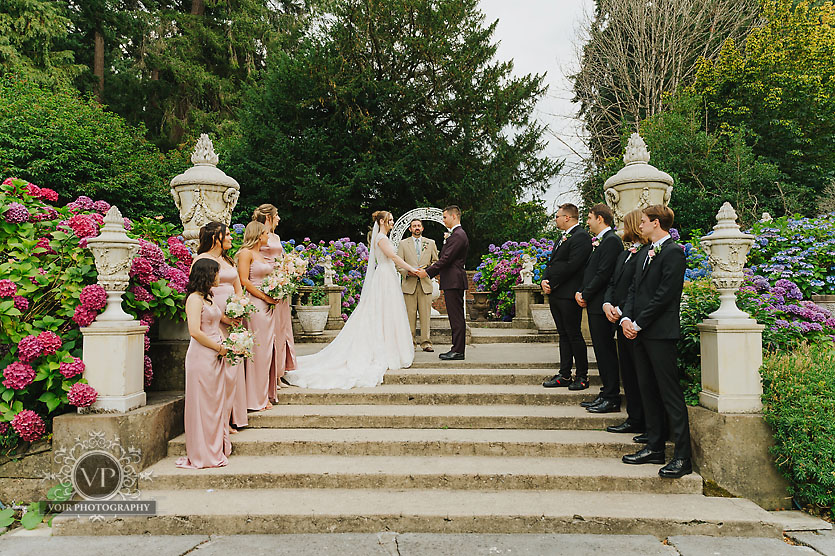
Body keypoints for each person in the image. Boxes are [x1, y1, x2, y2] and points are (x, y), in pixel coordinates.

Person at [284, 211, 419, 389]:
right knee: (383, 310)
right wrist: (412, 269)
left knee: (389, 311)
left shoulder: (382, 237)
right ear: (382, 221)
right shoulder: (381, 238)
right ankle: (385, 347)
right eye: (390, 220)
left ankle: (390, 344)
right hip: (385, 275)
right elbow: (393, 257)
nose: (392, 222)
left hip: (388, 275)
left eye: (393, 220)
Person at [620, 205, 691, 479]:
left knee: (669, 394)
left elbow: (665, 295)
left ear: (656, 223)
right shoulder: (644, 253)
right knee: (646, 389)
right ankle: (654, 447)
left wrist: (638, 323)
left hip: (660, 334)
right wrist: (626, 318)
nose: (640, 225)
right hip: (638, 332)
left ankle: (682, 458)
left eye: (644, 221)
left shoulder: (673, 253)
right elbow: (634, 290)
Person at [193, 222, 248, 433]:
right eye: (228, 235)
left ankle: (232, 415)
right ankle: (220, 421)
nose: (232, 238)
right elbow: (200, 292)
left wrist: (240, 306)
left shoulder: (227, 259)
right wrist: (223, 317)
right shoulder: (201, 260)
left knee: (234, 368)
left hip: (234, 317)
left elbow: (238, 287)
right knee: (220, 371)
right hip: (214, 320)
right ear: (216, 238)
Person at [176, 258, 230, 469]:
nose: (219, 277)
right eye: (216, 272)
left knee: (214, 404)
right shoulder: (194, 299)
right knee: (202, 406)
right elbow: (195, 332)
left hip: (215, 355)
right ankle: (202, 453)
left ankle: (215, 447)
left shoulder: (209, 298)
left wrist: (227, 344)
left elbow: (215, 326)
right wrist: (218, 347)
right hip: (201, 357)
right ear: (207, 275)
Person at [602, 210, 647, 437]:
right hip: (619, 319)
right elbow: (612, 282)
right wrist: (607, 304)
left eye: (624, 224)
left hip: (632, 320)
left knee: (639, 375)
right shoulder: (625, 253)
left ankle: (643, 421)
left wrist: (621, 310)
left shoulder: (646, 254)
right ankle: (633, 418)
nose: (621, 228)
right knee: (627, 374)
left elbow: (637, 288)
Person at [576, 204, 623, 413]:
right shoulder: (602, 240)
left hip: (601, 304)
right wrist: (581, 290)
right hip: (595, 304)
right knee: (600, 351)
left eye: (589, 217)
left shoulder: (611, 241)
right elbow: (591, 271)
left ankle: (612, 397)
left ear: (600, 219)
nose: (587, 222)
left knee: (605, 352)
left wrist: (585, 294)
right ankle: (606, 392)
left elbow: (604, 273)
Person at [541, 204, 593, 390]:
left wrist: (553, 282)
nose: (555, 219)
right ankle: (564, 374)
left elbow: (573, 266)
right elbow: (552, 262)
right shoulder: (562, 237)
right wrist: (544, 280)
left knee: (574, 334)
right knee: (563, 334)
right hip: (556, 294)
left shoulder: (581, 237)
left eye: (557, 216)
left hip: (569, 295)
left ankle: (582, 375)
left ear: (567, 217)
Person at [415, 206, 469, 361]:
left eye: (445, 217)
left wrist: (427, 272)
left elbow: (446, 259)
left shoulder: (458, 235)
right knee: (455, 316)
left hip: (454, 280)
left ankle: (458, 351)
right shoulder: (456, 234)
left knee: (456, 317)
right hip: (452, 280)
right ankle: (457, 349)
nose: (443, 220)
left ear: (454, 216)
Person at [252, 204, 297, 388]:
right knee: (271, 331)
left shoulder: (276, 237)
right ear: (268, 217)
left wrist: (292, 268)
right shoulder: (258, 234)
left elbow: (282, 259)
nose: (279, 218)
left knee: (282, 328)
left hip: (280, 283)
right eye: (276, 215)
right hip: (266, 283)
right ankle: (270, 376)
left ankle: (279, 373)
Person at [236, 221, 278, 411]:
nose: (268, 236)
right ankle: (255, 398)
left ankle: (264, 394)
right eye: (265, 233)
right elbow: (244, 280)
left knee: (266, 351)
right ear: (258, 235)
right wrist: (264, 297)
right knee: (258, 352)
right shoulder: (246, 254)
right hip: (255, 304)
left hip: (267, 305)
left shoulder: (261, 254)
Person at [397, 218, 439, 352]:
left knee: (425, 315)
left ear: (422, 228)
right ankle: (411, 343)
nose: (416, 228)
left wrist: (426, 272)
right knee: (410, 316)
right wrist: (408, 272)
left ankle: (426, 343)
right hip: (409, 284)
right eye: (414, 226)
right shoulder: (403, 244)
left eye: (419, 226)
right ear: (410, 229)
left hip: (425, 284)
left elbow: (436, 262)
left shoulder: (431, 243)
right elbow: (398, 263)